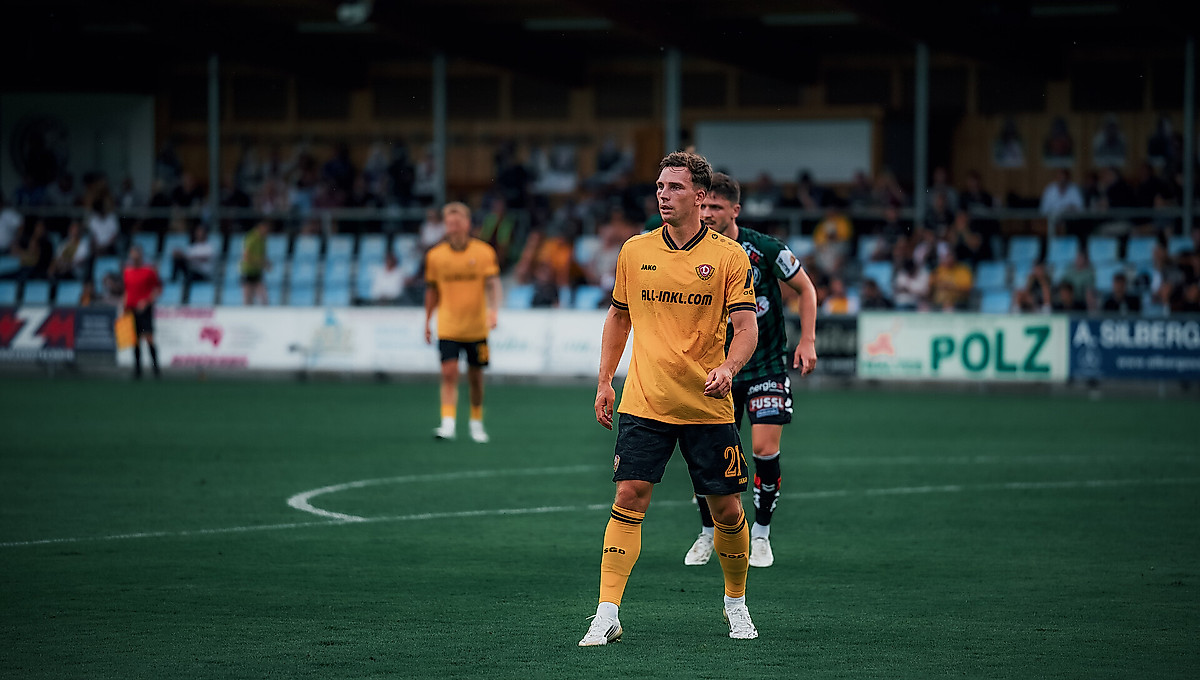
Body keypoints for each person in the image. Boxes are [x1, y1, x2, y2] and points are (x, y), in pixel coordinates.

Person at [579, 152, 760, 647]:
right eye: (660, 186)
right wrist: (604, 380)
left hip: (706, 405)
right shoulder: (634, 252)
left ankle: (736, 603)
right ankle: (607, 612)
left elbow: (746, 328)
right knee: (627, 497)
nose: (664, 194)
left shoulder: (729, 257)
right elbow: (618, 318)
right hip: (645, 402)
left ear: (701, 197)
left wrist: (728, 367)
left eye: (676, 187)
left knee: (726, 510)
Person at [680, 173, 817, 570]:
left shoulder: (763, 248)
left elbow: (807, 289)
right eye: (703, 206)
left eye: (716, 208)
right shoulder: (692, 250)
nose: (706, 214)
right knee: (710, 458)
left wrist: (807, 340)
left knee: (763, 450)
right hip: (715, 369)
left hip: (766, 364)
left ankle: (761, 535)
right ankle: (708, 532)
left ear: (735, 211)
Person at [424, 202, 502, 443]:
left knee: (476, 377)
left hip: (476, 326)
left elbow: (493, 285)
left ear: (467, 224)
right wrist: (427, 320)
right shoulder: (435, 256)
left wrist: (494, 311)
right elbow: (431, 291)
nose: (453, 228)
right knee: (448, 373)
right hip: (448, 325)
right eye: (449, 224)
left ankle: (476, 422)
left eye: (457, 223)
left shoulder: (484, 252)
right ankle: (447, 423)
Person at [122, 245, 163, 379]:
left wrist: (146, 301)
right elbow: (126, 291)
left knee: (149, 338)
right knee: (135, 340)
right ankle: (137, 370)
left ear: (141, 256)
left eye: (136, 254)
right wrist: (124, 307)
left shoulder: (148, 271)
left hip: (144, 309)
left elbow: (158, 289)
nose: (134, 257)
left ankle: (155, 369)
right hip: (131, 309)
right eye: (132, 254)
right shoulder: (127, 272)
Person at [241, 221, 271, 305]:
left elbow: (263, 255)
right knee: (247, 299)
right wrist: (261, 262)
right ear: (260, 227)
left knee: (264, 298)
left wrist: (266, 263)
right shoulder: (251, 237)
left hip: (257, 271)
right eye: (266, 229)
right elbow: (246, 256)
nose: (267, 232)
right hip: (248, 271)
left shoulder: (263, 239)